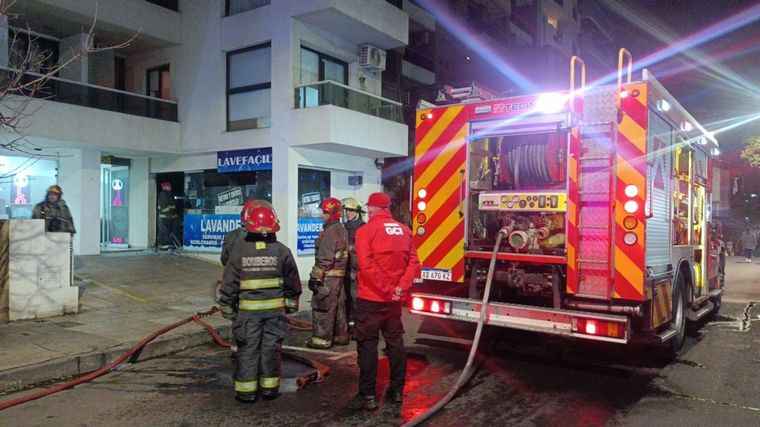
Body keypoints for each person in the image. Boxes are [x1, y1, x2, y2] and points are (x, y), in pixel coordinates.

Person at [217, 201, 301, 403]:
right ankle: (269, 389)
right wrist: (290, 304)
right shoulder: (283, 251)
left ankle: (246, 391)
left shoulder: (239, 252)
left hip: (247, 316)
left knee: (247, 349)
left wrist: (227, 307)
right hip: (274, 315)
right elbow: (293, 283)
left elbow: (229, 283)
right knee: (271, 349)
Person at [349, 192, 420, 411]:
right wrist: (400, 288)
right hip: (394, 301)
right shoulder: (405, 231)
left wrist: (389, 290)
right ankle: (397, 391)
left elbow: (367, 266)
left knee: (368, 347)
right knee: (395, 343)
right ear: (387, 208)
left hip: (371, 299)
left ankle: (367, 395)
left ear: (372, 208)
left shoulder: (365, 231)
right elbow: (414, 263)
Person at [308, 197, 349, 349]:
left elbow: (324, 258)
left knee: (322, 307)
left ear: (332, 213)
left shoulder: (330, 232)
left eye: (325, 212)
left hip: (328, 278)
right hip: (338, 279)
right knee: (338, 307)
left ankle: (321, 340)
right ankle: (340, 336)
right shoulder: (341, 229)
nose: (322, 215)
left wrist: (315, 277)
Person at [341, 197, 366, 340]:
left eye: (350, 210)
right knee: (346, 301)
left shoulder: (363, 228)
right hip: (344, 270)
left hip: (356, 273)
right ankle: (348, 328)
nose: (348, 213)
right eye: (346, 210)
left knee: (357, 301)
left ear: (358, 212)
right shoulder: (343, 227)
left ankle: (358, 329)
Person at [221, 200, 257, 266]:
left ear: (242, 216)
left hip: (235, 274)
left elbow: (224, 260)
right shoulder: (266, 237)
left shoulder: (231, 236)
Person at [157, 182, 178, 250]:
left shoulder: (168, 194)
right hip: (165, 217)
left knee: (167, 231)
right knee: (165, 231)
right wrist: (169, 215)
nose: (170, 187)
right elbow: (165, 207)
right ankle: (164, 246)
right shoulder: (163, 195)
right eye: (169, 186)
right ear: (165, 187)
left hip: (167, 216)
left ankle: (166, 245)